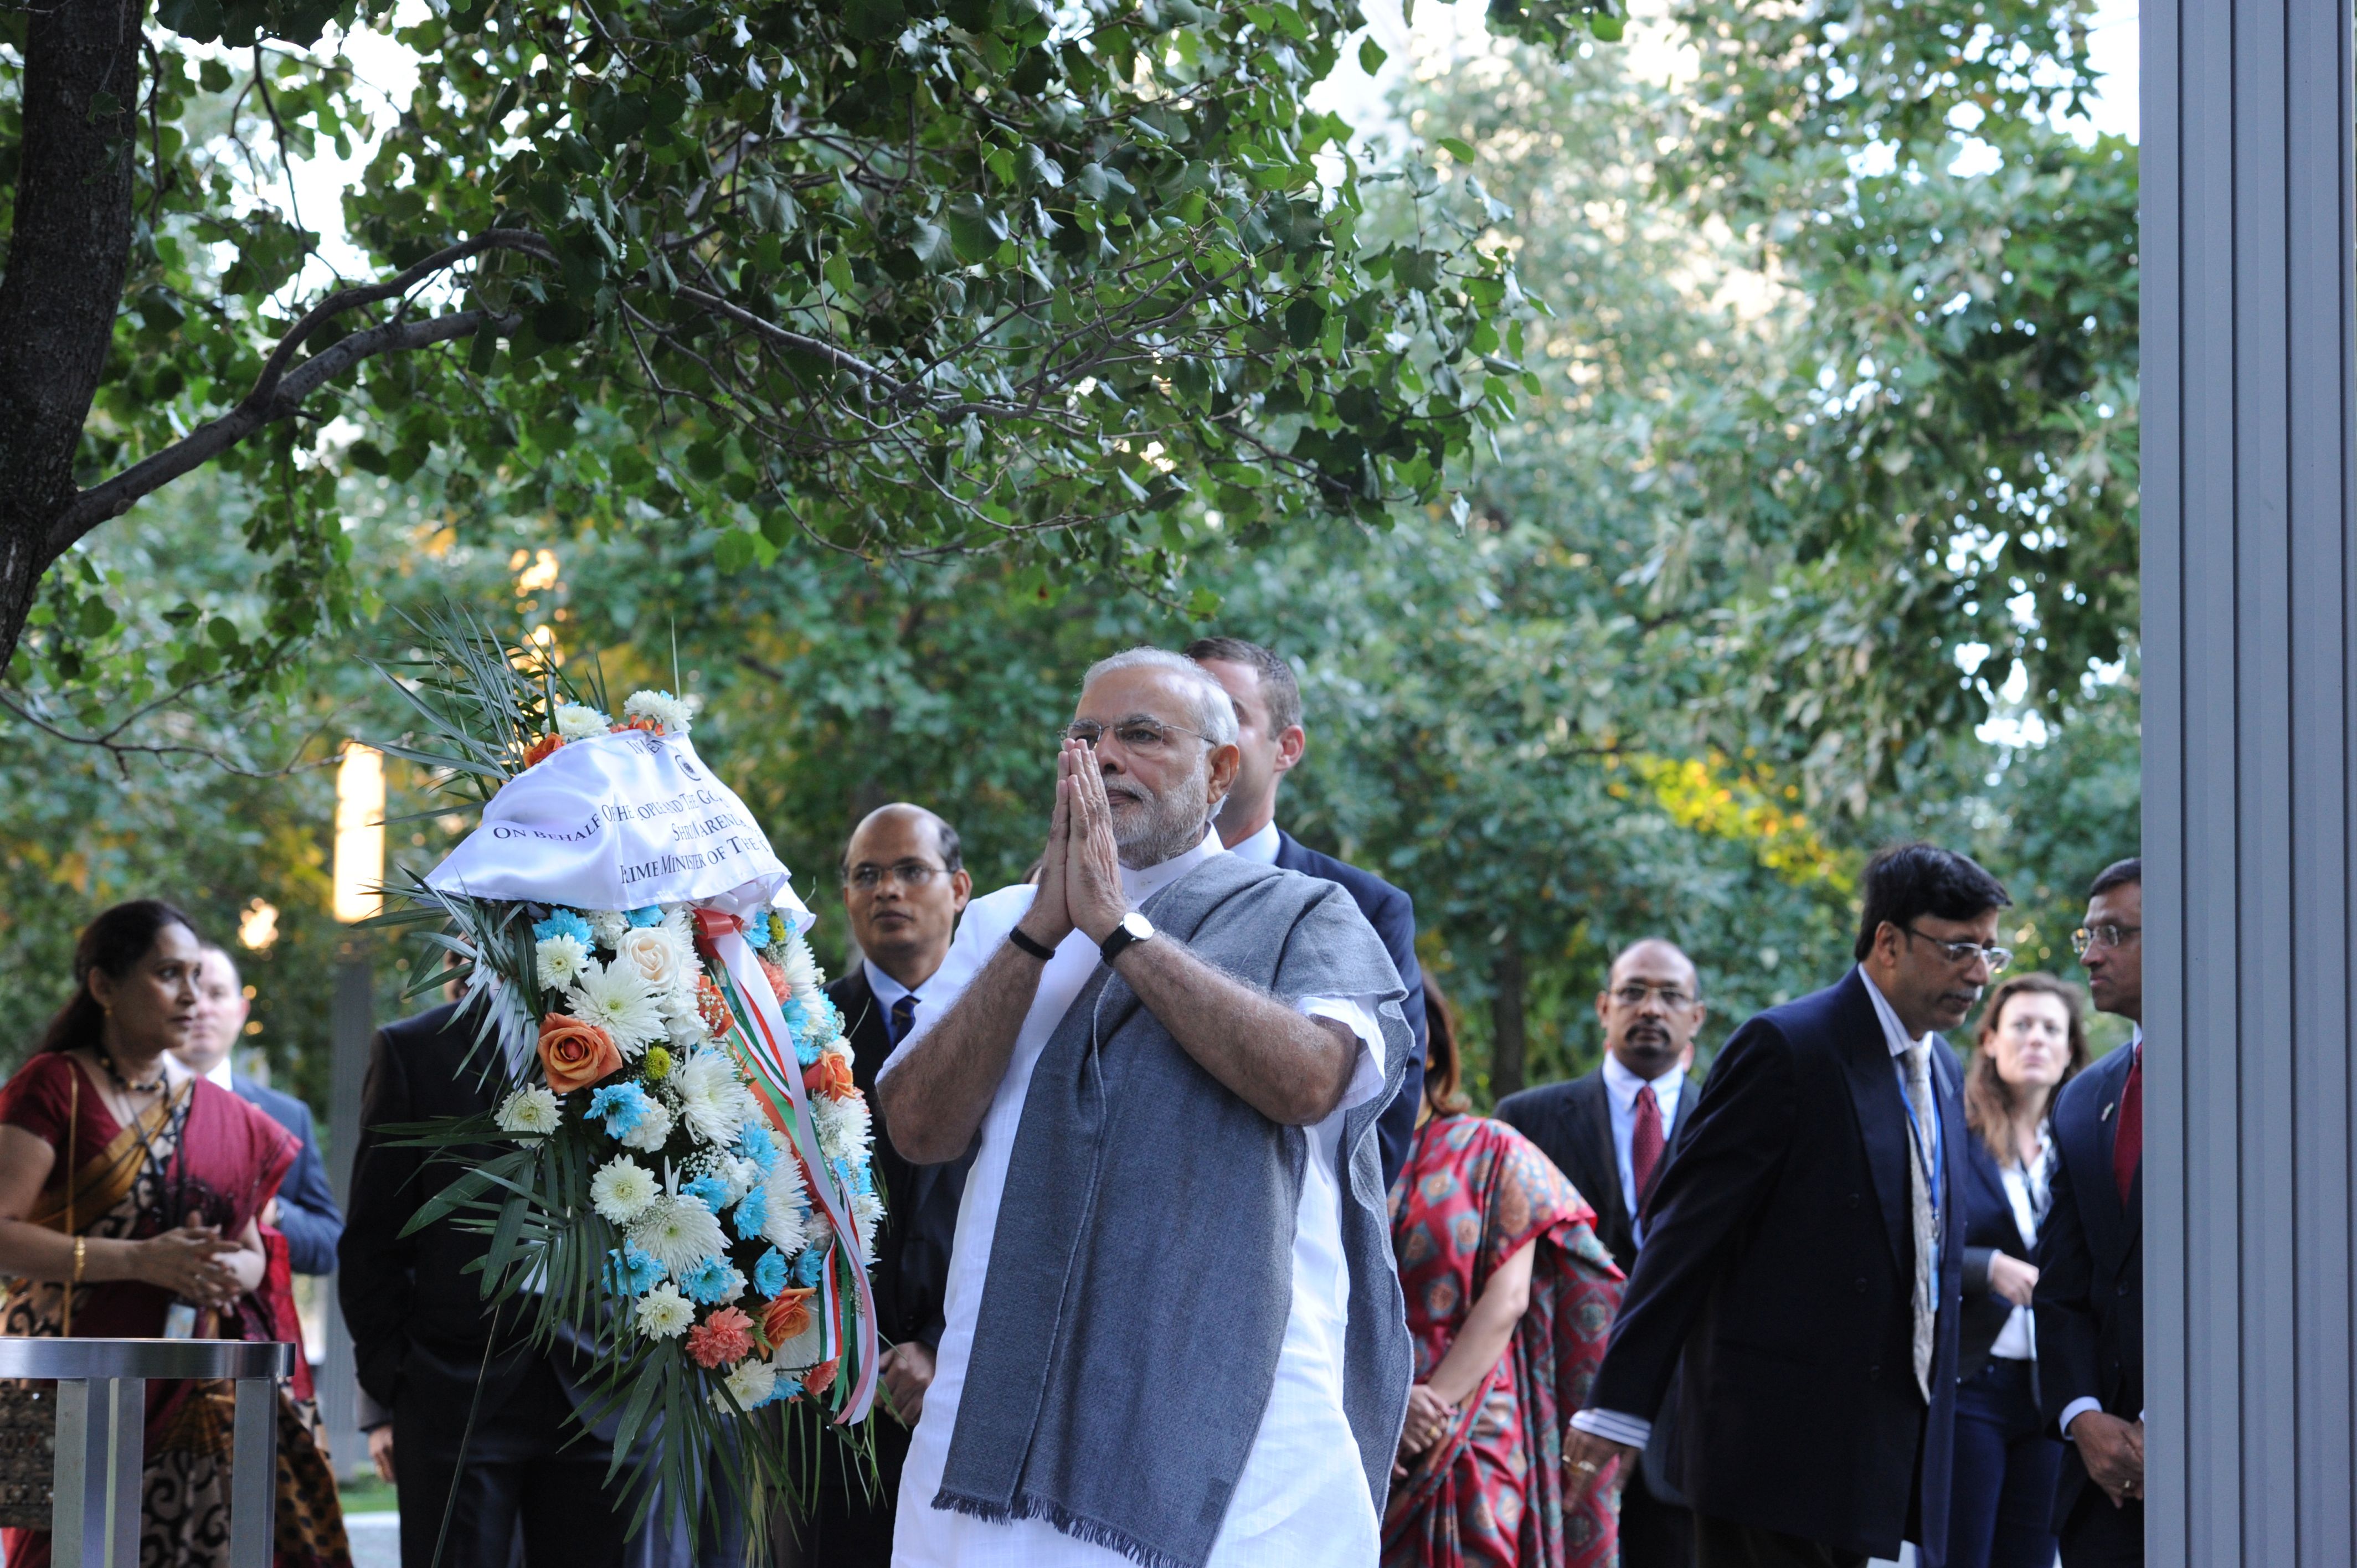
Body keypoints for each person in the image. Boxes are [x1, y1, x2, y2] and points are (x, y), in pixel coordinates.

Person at [876, 646, 1413, 1567]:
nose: (1106, 755)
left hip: (1232, 1396)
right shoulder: (1003, 920)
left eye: (1140, 735)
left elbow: (1309, 1081)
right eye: (1085, 736)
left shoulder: (1305, 913)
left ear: (1219, 770)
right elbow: (918, 1126)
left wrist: (1121, 931)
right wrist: (1041, 931)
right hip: (1000, 1386)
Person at [1564, 842, 2006, 1568]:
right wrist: (1619, 1403)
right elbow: (1684, 1233)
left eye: (1989, 951)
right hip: (1767, 1450)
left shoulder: (1945, 1069)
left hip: (1876, 1450)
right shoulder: (1789, 1049)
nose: (1979, 974)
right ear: (1889, 942)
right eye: (1959, 948)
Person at [0, 900, 349, 1568]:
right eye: (169, 974)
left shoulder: (219, 1113)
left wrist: (215, 1271)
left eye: (197, 975)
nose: (192, 995)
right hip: (67, 1385)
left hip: (201, 1392)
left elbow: (254, 1257)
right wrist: (141, 1259)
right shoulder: (54, 1088)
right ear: (104, 986)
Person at [338, 997, 641, 1568]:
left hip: (602, 1388)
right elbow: (372, 1241)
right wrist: (401, 1375)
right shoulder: (415, 1049)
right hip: (455, 1389)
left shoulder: (647, 1037)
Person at [1385, 978, 1624, 1567]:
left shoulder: (1493, 1148)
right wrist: (1386, 1410)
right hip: (1360, 1424)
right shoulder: (1335, 1162)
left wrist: (1424, 1411)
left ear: (1432, 1048)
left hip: (1468, 1427)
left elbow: (1508, 1298)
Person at [1496, 938, 1710, 1568]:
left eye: (1670, 995)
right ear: (1602, 1006)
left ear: (1695, 1017)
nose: (1651, 1008)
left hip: (1687, 1434)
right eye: (1633, 992)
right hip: (1554, 1418)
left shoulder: (1731, 1124)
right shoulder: (1524, 1121)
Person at [1187, 636, 1429, 1190]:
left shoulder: (1370, 909)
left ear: (1286, 747)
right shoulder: (1105, 891)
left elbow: (1382, 1123)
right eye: (1180, 716)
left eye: (1225, 715)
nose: (1199, 736)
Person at [802, 802, 978, 1562]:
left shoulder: (1007, 1020)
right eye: (865, 876)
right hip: (835, 1398)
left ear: (960, 887)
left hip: (974, 1386)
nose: (887, 891)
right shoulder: (798, 1031)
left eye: (911, 871)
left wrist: (942, 1345)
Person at [1948, 974, 2088, 1568]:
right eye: (2020, 1026)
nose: (2035, 1039)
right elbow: (1905, 1242)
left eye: (2050, 1029)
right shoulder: (1953, 1135)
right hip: (1969, 1384)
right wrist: (1984, 1268)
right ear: (1988, 1041)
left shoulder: (2081, 1143)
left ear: (2069, 1052)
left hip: (2050, 1393)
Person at [2034, 859, 2146, 1567]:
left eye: (2115, 933)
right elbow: (2062, 1288)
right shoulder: (2080, 1100)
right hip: (2100, 1488)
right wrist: (2082, 1418)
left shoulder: (2250, 1079)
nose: (2092, 954)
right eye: (2087, 935)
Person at [181, 944, 344, 1275]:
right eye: (191, 993)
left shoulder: (285, 1117)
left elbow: (329, 1245)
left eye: (217, 993)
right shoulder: (124, 1101)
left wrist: (269, 1211)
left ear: (241, 1011)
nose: (202, 1007)